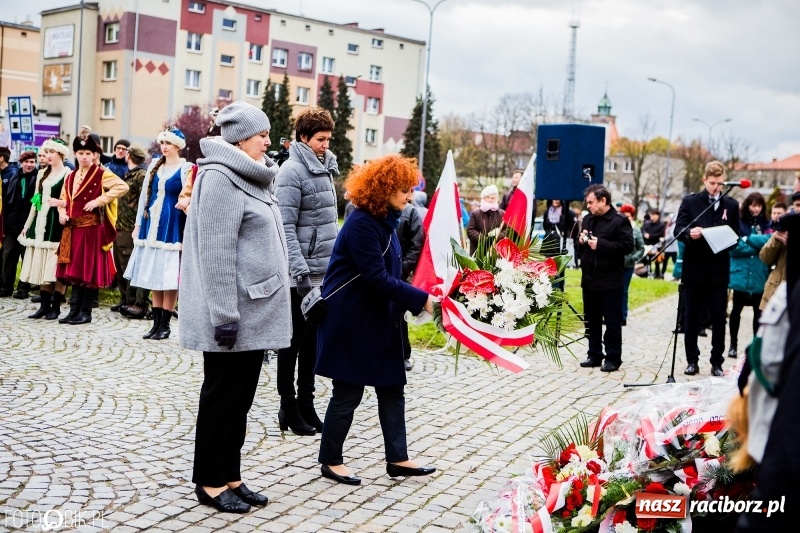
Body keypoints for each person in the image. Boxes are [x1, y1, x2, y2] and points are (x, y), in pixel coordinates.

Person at [180, 101, 289, 514]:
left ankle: (231, 474)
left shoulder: (254, 177)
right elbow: (216, 252)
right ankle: (208, 482)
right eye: (261, 133)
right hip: (232, 315)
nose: (267, 139)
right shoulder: (220, 179)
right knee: (221, 399)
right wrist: (225, 315)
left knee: (240, 400)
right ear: (241, 138)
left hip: (255, 310)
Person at [315, 154, 436, 486]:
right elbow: (375, 277)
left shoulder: (386, 220)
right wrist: (420, 299)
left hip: (379, 320)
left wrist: (414, 298)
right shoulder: (362, 223)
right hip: (352, 320)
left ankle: (398, 458)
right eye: (403, 190)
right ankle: (330, 460)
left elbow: (391, 275)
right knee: (348, 391)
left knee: (392, 388)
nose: (408, 197)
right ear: (384, 190)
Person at [274, 107, 339, 435]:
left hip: (323, 272)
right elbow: (285, 226)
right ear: (302, 138)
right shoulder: (291, 172)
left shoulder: (326, 168)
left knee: (313, 342)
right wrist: (299, 273)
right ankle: (288, 405)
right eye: (319, 139)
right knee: (292, 342)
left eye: (328, 138)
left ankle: (307, 403)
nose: (326, 144)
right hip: (299, 275)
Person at [124, 128, 197, 340]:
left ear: (177, 146)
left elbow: (190, 195)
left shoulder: (186, 169)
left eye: (168, 143)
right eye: (162, 142)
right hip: (151, 223)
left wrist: (186, 202)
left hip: (172, 224)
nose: (164, 146)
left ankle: (165, 324)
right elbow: (144, 199)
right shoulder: (155, 167)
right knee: (155, 273)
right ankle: (155, 324)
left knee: (169, 275)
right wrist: (138, 224)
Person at [55, 130, 129, 325]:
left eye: (88, 153)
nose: (85, 157)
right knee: (76, 272)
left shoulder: (102, 173)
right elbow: (64, 200)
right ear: (76, 155)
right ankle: (73, 311)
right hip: (73, 229)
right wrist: (62, 214)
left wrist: (100, 200)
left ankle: (85, 312)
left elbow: (122, 187)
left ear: (95, 155)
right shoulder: (70, 176)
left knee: (88, 272)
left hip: (92, 230)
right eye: (81, 153)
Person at [674, 160, 740, 376]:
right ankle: (692, 360)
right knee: (691, 317)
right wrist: (689, 234)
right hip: (694, 268)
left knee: (718, 317)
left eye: (720, 183)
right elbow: (679, 229)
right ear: (704, 180)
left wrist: (726, 238)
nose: (716, 188)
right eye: (712, 183)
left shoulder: (731, 205)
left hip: (718, 269)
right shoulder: (691, 201)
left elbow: (735, 235)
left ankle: (716, 362)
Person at [577, 185, 634, 372]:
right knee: (591, 320)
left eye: (591, 203)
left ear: (603, 201)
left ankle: (612, 358)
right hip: (589, 278)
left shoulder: (619, 221)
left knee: (611, 321)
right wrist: (582, 241)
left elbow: (627, 246)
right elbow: (583, 248)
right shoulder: (587, 219)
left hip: (610, 280)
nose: (588, 206)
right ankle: (594, 354)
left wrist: (600, 244)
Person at [18, 139, 71, 319]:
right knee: (41, 266)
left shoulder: (67, 173)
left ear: (60, 154)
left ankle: (56, 305)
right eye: (46, 152)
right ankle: (43, 305)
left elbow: (72, 200)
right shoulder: (41, 174)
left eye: (51, 152)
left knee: (55, 266)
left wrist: (61, 203)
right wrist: (27, 224)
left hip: (57, 224)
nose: (47, 155)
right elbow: (36, 201)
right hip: (40, 223)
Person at [728, 192, 770, 358]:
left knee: (757, 315)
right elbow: (734, 247)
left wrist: (747, 239)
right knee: (736, 312)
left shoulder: (767, 223)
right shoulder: (738, 222)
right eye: (753, 205)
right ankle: (733, 344)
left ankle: (755, 345)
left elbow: (769, 242)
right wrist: (757, 246)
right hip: (741, 275)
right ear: (747, 205)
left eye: (759, 205)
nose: (756, 209)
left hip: (759, 275)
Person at [112, 144, 150, 319]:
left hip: (131, 227)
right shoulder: (131, 174)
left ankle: (135, 303)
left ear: (129, 156)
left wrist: (139, 225)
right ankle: (125, 299)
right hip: (121, 225)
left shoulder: (141, 175)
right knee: (121, 266)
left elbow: (145, 202)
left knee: (130, 266)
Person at [2, 151, 37, 298]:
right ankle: (6, 286)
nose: (29, 165)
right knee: (8, 255)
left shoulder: (37, 178)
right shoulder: (14, 177)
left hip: (28, 225)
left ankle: (23, 288)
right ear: (21, 163)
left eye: (32, 162)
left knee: (26, 257)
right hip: (12, 223)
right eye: (26, 162)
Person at [396, 200, 424, 371]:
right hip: (377, 274)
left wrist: (402, 269)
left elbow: (416, 245)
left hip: (399, 273)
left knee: (399, 317)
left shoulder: (410, 212)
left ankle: (403, 355)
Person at [619, 204, 644, 326]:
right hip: (615, 264)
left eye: (628, 216)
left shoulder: (636, 230)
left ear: (632, 216)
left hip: (628, 265)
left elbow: (641, 248)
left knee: (623, 290)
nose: (625, 218)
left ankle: (623, 315)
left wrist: (633, 259)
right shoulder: (618, 227)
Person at [466, 184, 504, 255]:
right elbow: (470, 230)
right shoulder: (476, 213)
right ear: (483, 198)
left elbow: (507, 230)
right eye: (488, 197)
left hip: (495, 252)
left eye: (492, 198)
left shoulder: (502, 214)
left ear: (496, 199)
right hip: (477, 251)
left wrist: (498, 236)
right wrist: (484, 239)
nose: (490, 200)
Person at [642, 209, 667, 278]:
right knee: (645, 260)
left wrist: (650, 236)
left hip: (656, 245)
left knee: (657, 260)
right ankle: (645, 272)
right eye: (651, 215)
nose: (651, 216)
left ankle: (657, 274)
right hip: (647, 244)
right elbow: (643, 229)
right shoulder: (647, 223)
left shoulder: (661, 225)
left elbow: (660, 234)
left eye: (653, 215)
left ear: (657, 216)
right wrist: (645, 234)